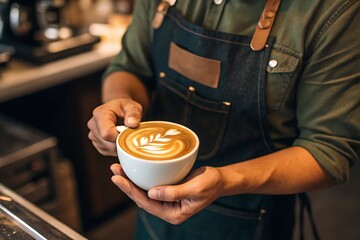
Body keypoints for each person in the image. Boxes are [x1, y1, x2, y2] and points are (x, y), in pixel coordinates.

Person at [87, 0, 360, 239]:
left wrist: (226, 181)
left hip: (251, 220)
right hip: (151, 218)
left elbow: (328, 150)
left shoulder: (334, 11)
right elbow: (129, 66)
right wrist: (120, 104)